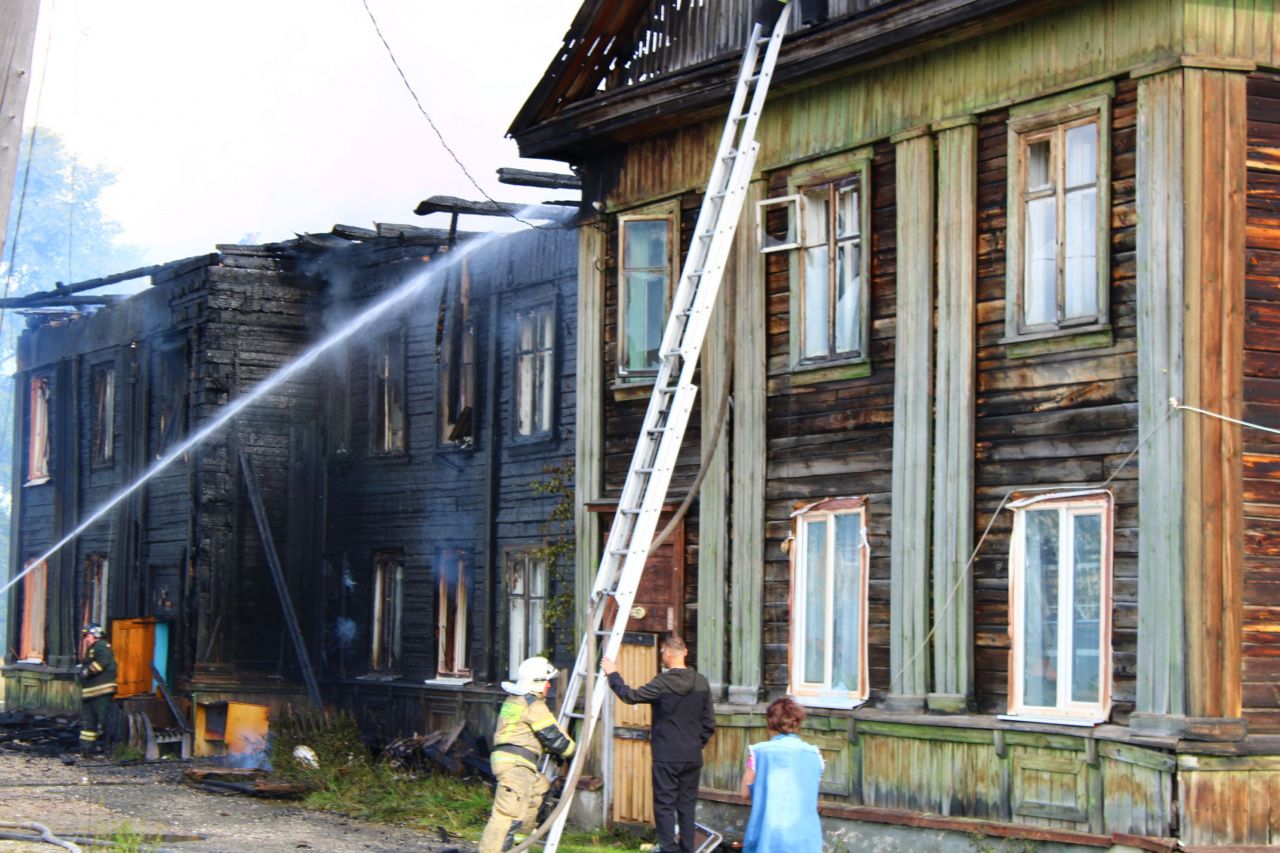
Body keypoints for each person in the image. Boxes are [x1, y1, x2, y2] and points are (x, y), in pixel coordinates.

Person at [601, 636, 715, 853]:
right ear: (685, 653)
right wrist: (695, 744)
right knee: (687, 807)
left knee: (664, 805)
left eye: (662, 652)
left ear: (669, 654)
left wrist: (613, 674)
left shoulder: (662, 683)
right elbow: (709, 722)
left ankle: (669, 850)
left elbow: (630, 696)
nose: (662, 656)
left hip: (666, 755)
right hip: (691, 755)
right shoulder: (701, 682)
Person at [478, 656, 575, 853]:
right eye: (546, 681)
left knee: (539, 789)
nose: (549, 686)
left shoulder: (515, 700)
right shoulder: (533, 705)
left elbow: (525, 734)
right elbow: (556, 739)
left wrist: (548, 749)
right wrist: (572, 751)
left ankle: (520, 844)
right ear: (537, 683)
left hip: (513, 761)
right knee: (506, 815)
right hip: (516, 765)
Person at [739, 697, 824, 853]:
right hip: (805, 841)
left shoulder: (758, 753)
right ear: (797, 723)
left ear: (770, 722)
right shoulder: (815, 755)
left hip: (769, 837)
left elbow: (745, 793)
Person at [77, 623, 117, 755]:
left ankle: (109, 749)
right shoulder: (94, 648)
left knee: (104, 719)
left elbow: (101, 663)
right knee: (88, 722)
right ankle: (87, 749)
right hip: (90, 692)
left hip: (101, 690)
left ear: (96, 635)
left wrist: (86, 672)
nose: (86, 639)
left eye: (88, 636)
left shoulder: (102, 646)